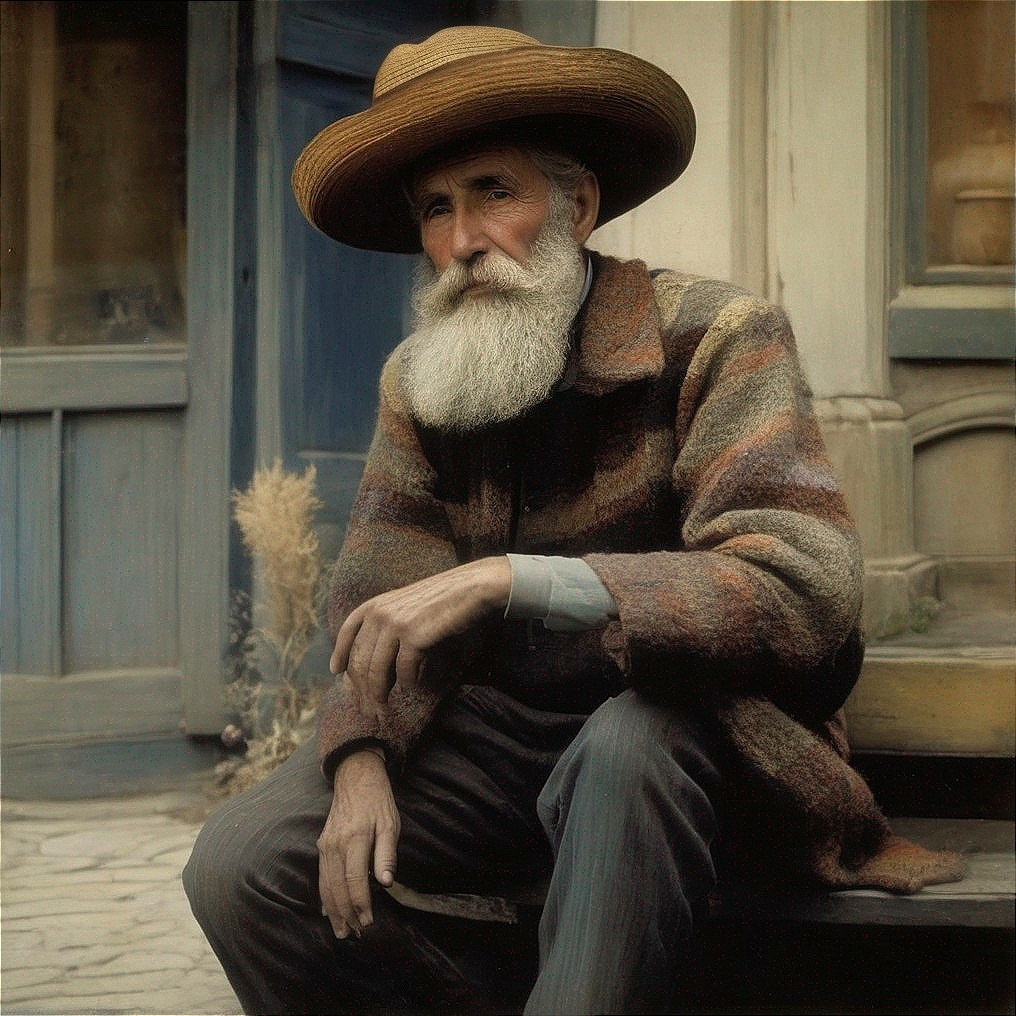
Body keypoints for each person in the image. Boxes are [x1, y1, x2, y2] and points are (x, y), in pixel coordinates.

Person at [184, 26, 963, 1015]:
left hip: (697, 742)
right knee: (241, 863)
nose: (461, 240)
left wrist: (512, 576)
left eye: (491, 193)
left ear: (576, 203)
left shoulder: (716, 336)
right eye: (435, 208)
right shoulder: (419, 378)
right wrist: (360, 756)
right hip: (498, 749)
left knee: (623, 748)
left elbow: (801, 585)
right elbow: (379, 597)